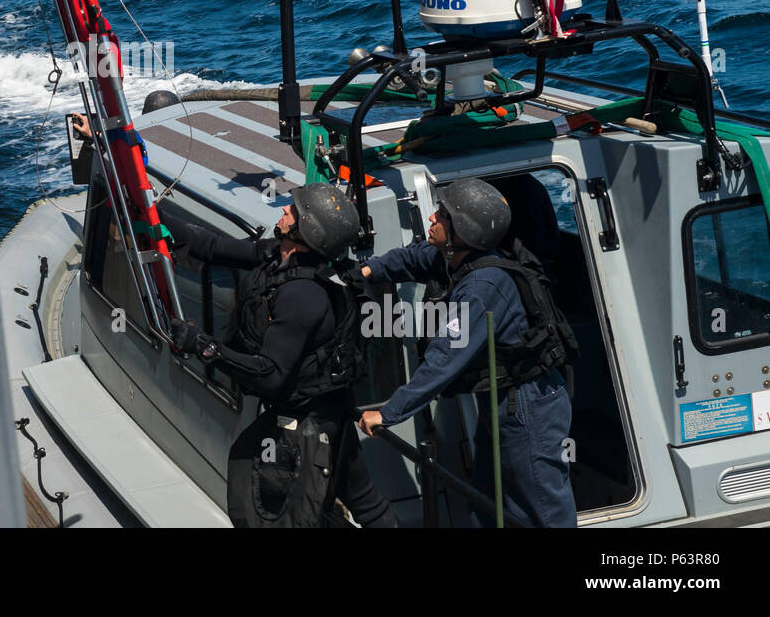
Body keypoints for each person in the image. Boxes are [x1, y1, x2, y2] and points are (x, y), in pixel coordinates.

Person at [163, 181, 399, 529]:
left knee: (293, 513)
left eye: (293, 210)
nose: (284, 210)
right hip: (329, 410)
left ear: (308, 230)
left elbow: (271, 375)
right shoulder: (280, 255)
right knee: (363, 501)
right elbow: (212, 246)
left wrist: (204, 347)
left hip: (311, 423)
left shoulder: (303, 295)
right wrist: (150, 209)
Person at [355, 177, 577, 528]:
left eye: (441, 215)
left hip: (528, 405)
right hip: (505, 401)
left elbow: (444, 358)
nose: (432, 219)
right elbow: (415, 258)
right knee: (489, 500)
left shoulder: (482, 286)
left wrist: (390, 413)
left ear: (464, 230)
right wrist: (369, 269)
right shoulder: (458, 256)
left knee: (542, 505)